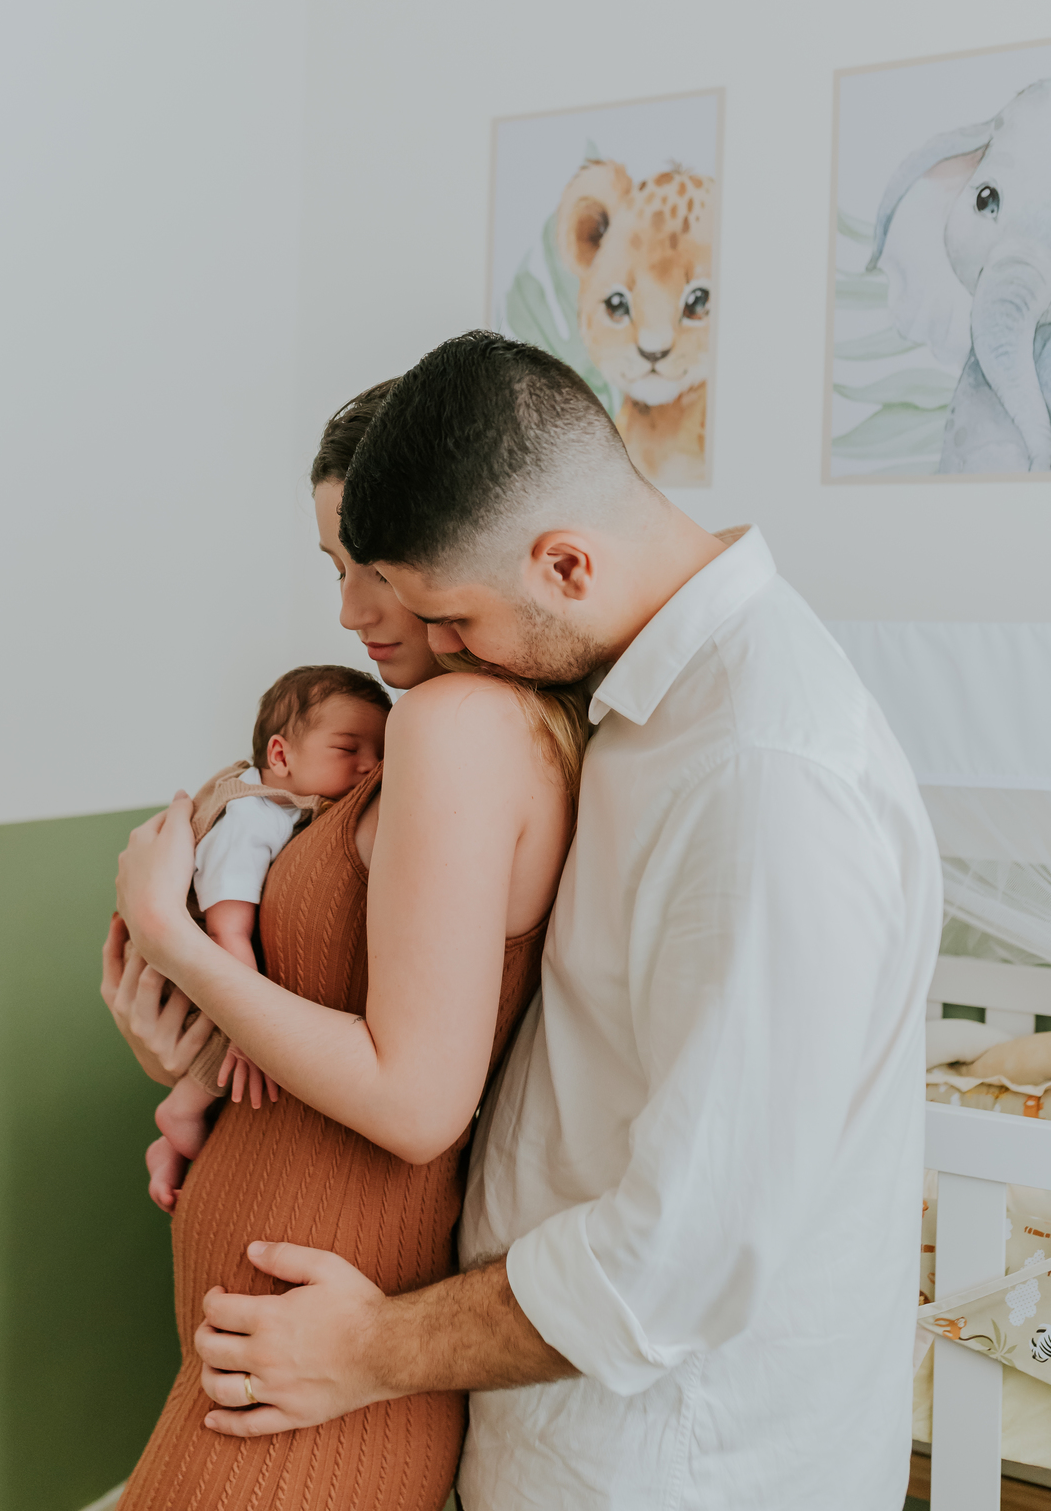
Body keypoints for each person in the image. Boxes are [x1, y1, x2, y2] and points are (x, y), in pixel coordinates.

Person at [183, 333, 943, 1511]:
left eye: (457, 618)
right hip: (547, 1433)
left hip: (670, 1468)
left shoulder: (765, 774)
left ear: (567, 567)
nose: (433, 653)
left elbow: (678, 1259)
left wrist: (368, 1349)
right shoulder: (642, 703)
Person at [101, 379, 588, 1511]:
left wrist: (176, 938)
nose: (351, 607)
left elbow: (414, 1100)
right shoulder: (414, 737)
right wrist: (189, 1060)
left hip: (317, 1361)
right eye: (336, 566)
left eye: (371, 564)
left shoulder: (457, 725)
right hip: (270, 1344)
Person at [146, 664, 392, 1213]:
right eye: (348, 749)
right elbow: (226, 929)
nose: (370, 765)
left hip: (210, 956)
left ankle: (173, 1143)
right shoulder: (251, 818)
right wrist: (249, 1031)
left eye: (381, 751)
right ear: (279, 756)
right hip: (196, 961)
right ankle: (181, 1110)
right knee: (229, 1041)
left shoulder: (288, 802)